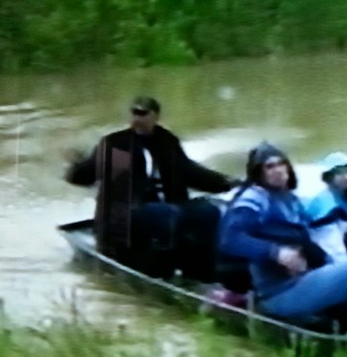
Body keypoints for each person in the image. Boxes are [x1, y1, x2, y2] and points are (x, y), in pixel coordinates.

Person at [218, 143, 347, 334]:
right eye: (269, 167)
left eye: (281, 164)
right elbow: (230, 238)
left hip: (303, 280)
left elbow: (309, 240)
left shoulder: (291, 200)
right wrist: (276, 252)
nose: (277, 170)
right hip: (279, 292)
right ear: (259, 173)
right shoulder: (257, 196)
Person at [64, 96, 236, 279]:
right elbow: (84, 175)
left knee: (208, 212)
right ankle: (160, 270)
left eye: (143, 114)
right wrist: (75, 166)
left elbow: (190, 172)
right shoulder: (116, 145)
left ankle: (202, 269)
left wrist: (227, 183)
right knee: (163, 214)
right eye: (134, 113)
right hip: (128, 213)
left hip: (168, 207)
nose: (137, 118)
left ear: (155, 116)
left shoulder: (167, 142)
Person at [305, 152, 347, 261]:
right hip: (328, 256)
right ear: (329, 177)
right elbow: (332, 247)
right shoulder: (326, 204)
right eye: (339, 173)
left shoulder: (345, 196)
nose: (346, 177)